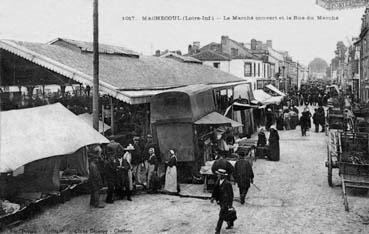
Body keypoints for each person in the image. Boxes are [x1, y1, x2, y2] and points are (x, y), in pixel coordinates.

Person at [211, 169, 235, 234]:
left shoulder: (227, 183)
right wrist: (213, 197)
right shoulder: (218, 181)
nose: (217, 175)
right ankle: (230, 224)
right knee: (226, 214)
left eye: (219, 174)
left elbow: (231, 194)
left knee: (221, 215)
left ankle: (217, 230)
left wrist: (230, 204)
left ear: (222, 176)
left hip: (226, 202)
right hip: (221, 201)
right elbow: (215, 190)